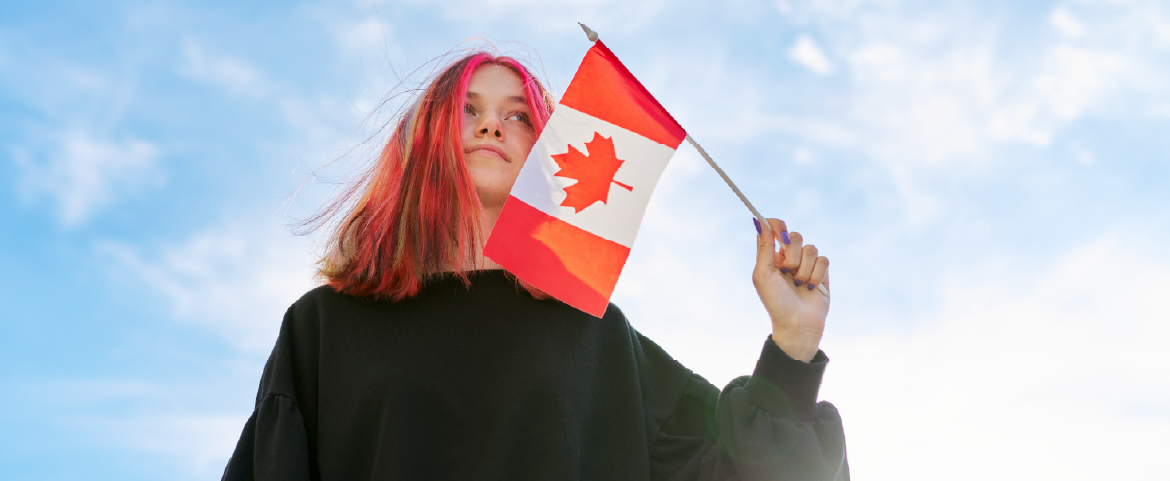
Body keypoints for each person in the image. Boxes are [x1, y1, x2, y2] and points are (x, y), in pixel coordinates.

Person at [222, 49, 848, 480]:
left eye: (518, 115)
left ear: (546, 159)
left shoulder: (596, 336)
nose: (492, 123)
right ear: (425, 140)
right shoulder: (321, 329)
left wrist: (793, 347)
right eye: (467, 108)